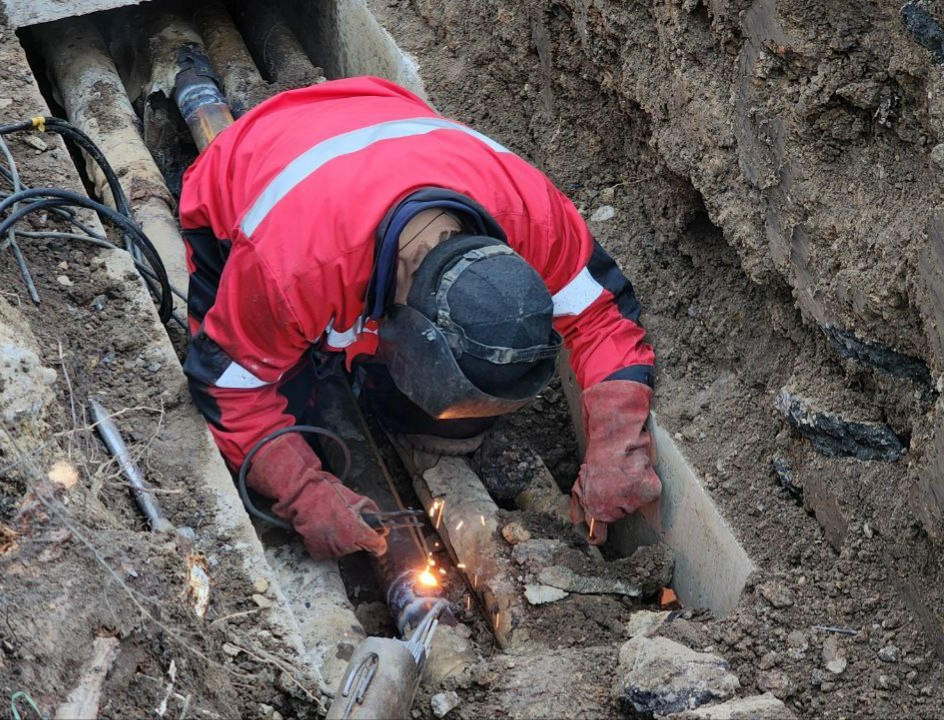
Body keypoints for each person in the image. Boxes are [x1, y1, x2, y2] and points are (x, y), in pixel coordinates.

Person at [178, 76, 660, 561]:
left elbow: (601, 316)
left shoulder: (531, 218)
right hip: (243, 172)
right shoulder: (289, 274)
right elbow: (229, 388)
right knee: (294, 407)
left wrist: (618, 444)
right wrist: (303, 491)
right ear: (405, 330)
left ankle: (371, 387)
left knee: (444, 422)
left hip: (380, 114)